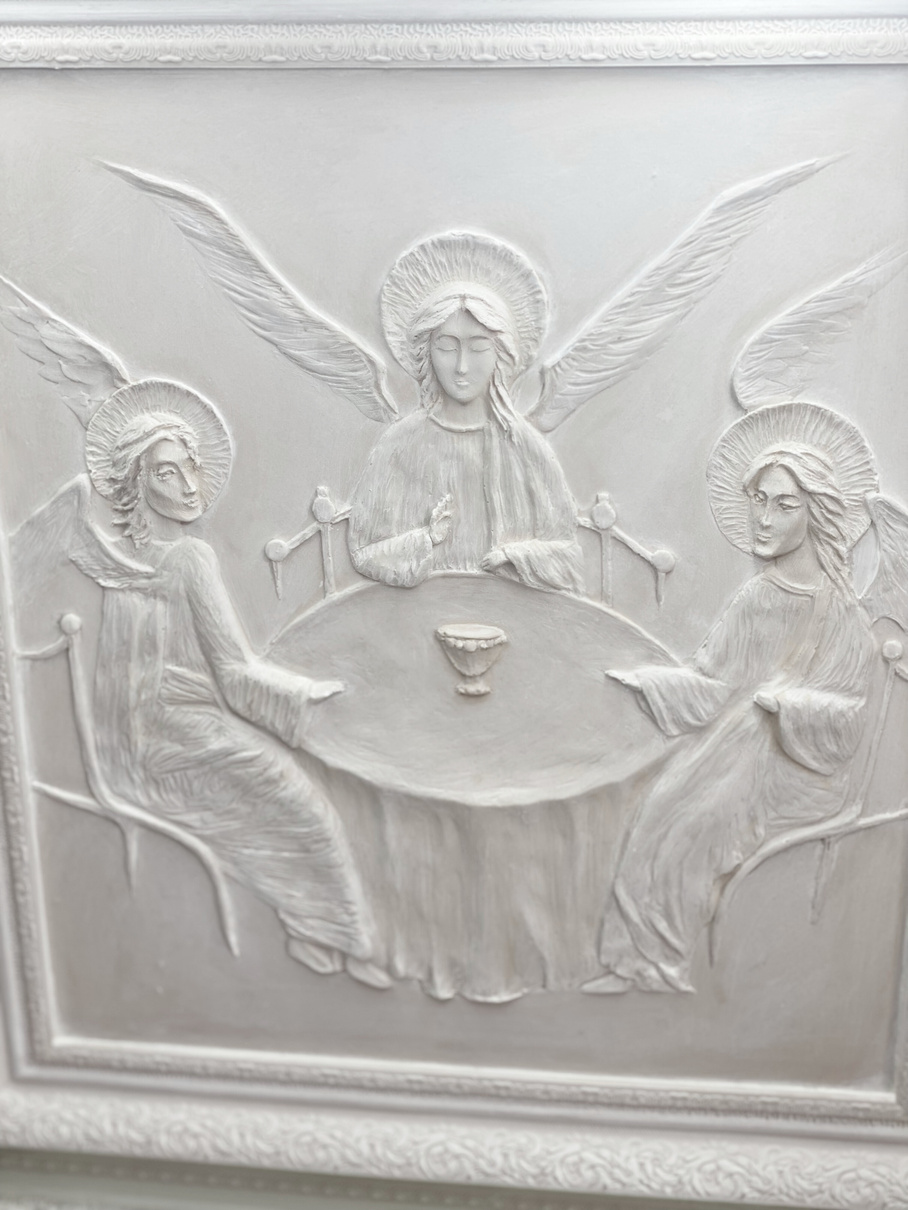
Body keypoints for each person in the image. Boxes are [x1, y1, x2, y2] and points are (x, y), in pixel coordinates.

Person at [74, 379, 389, 988]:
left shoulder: (118, 559)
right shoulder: (189, 557)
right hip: (173, 740)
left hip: (124, 742)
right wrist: (306, 695)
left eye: (190, 467)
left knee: (276, 795)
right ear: (136, 484)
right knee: (303, 802)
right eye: (167, 473)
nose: (189, 484)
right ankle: (329, 933)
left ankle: (317, 931)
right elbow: (234, 674)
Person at [584, 403, 878, 994]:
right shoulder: (755, 597)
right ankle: (636, 959)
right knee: (656, 807)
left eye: (784, 505)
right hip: (733, 748)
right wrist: (652, 682)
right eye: (758, 500)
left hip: (796, 767)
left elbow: (850, 716)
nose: (763, 518)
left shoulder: (841, 614)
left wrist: (789, 707)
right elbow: (711, 687)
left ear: (816, 513)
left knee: (696, 823)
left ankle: (660, 961)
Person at [347, 234, 585, 594]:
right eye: (446, 346)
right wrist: (425, 539)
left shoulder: (524, 446)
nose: (461, 366)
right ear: (426, 353)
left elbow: (569, 557)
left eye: (478, 347)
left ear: (500, 354)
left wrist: (514, 556)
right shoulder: (400, 444)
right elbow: (364, 550)